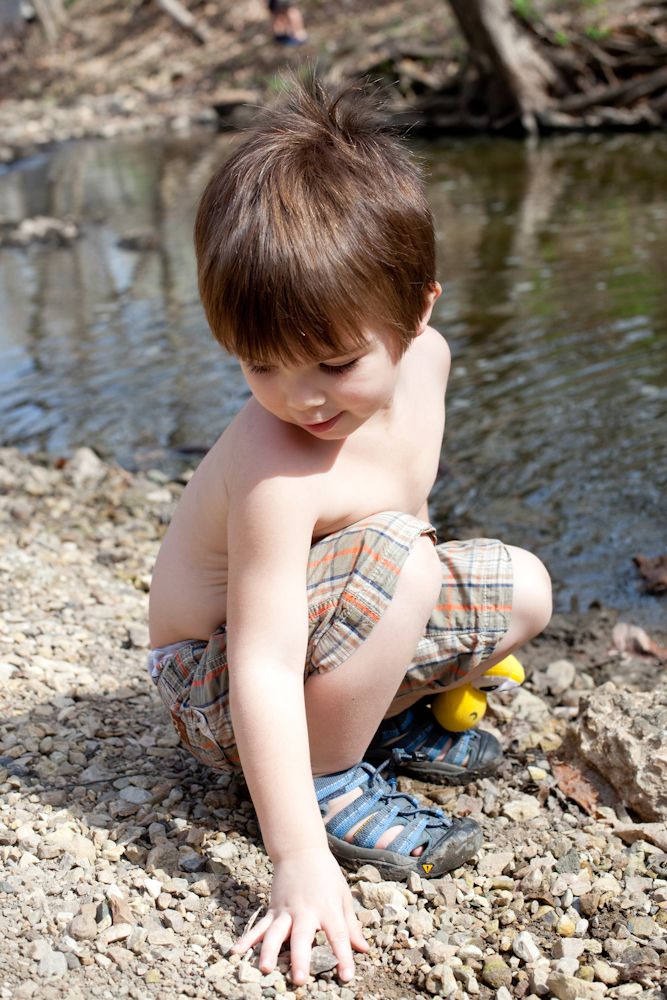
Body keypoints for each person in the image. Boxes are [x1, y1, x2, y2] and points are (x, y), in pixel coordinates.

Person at [147, 76, 552, 986]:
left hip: (335, 612)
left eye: (335, 361)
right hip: (213, 682)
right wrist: (293, 860)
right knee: (405, 562)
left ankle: (372, 727)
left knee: (522, 585)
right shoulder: (275, 465)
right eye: (260, 364)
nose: (300, 398)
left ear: (418, 313)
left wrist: (442, 650)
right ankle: (324, 785)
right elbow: (257, 657)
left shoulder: (430, 364)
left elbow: (405, 511)